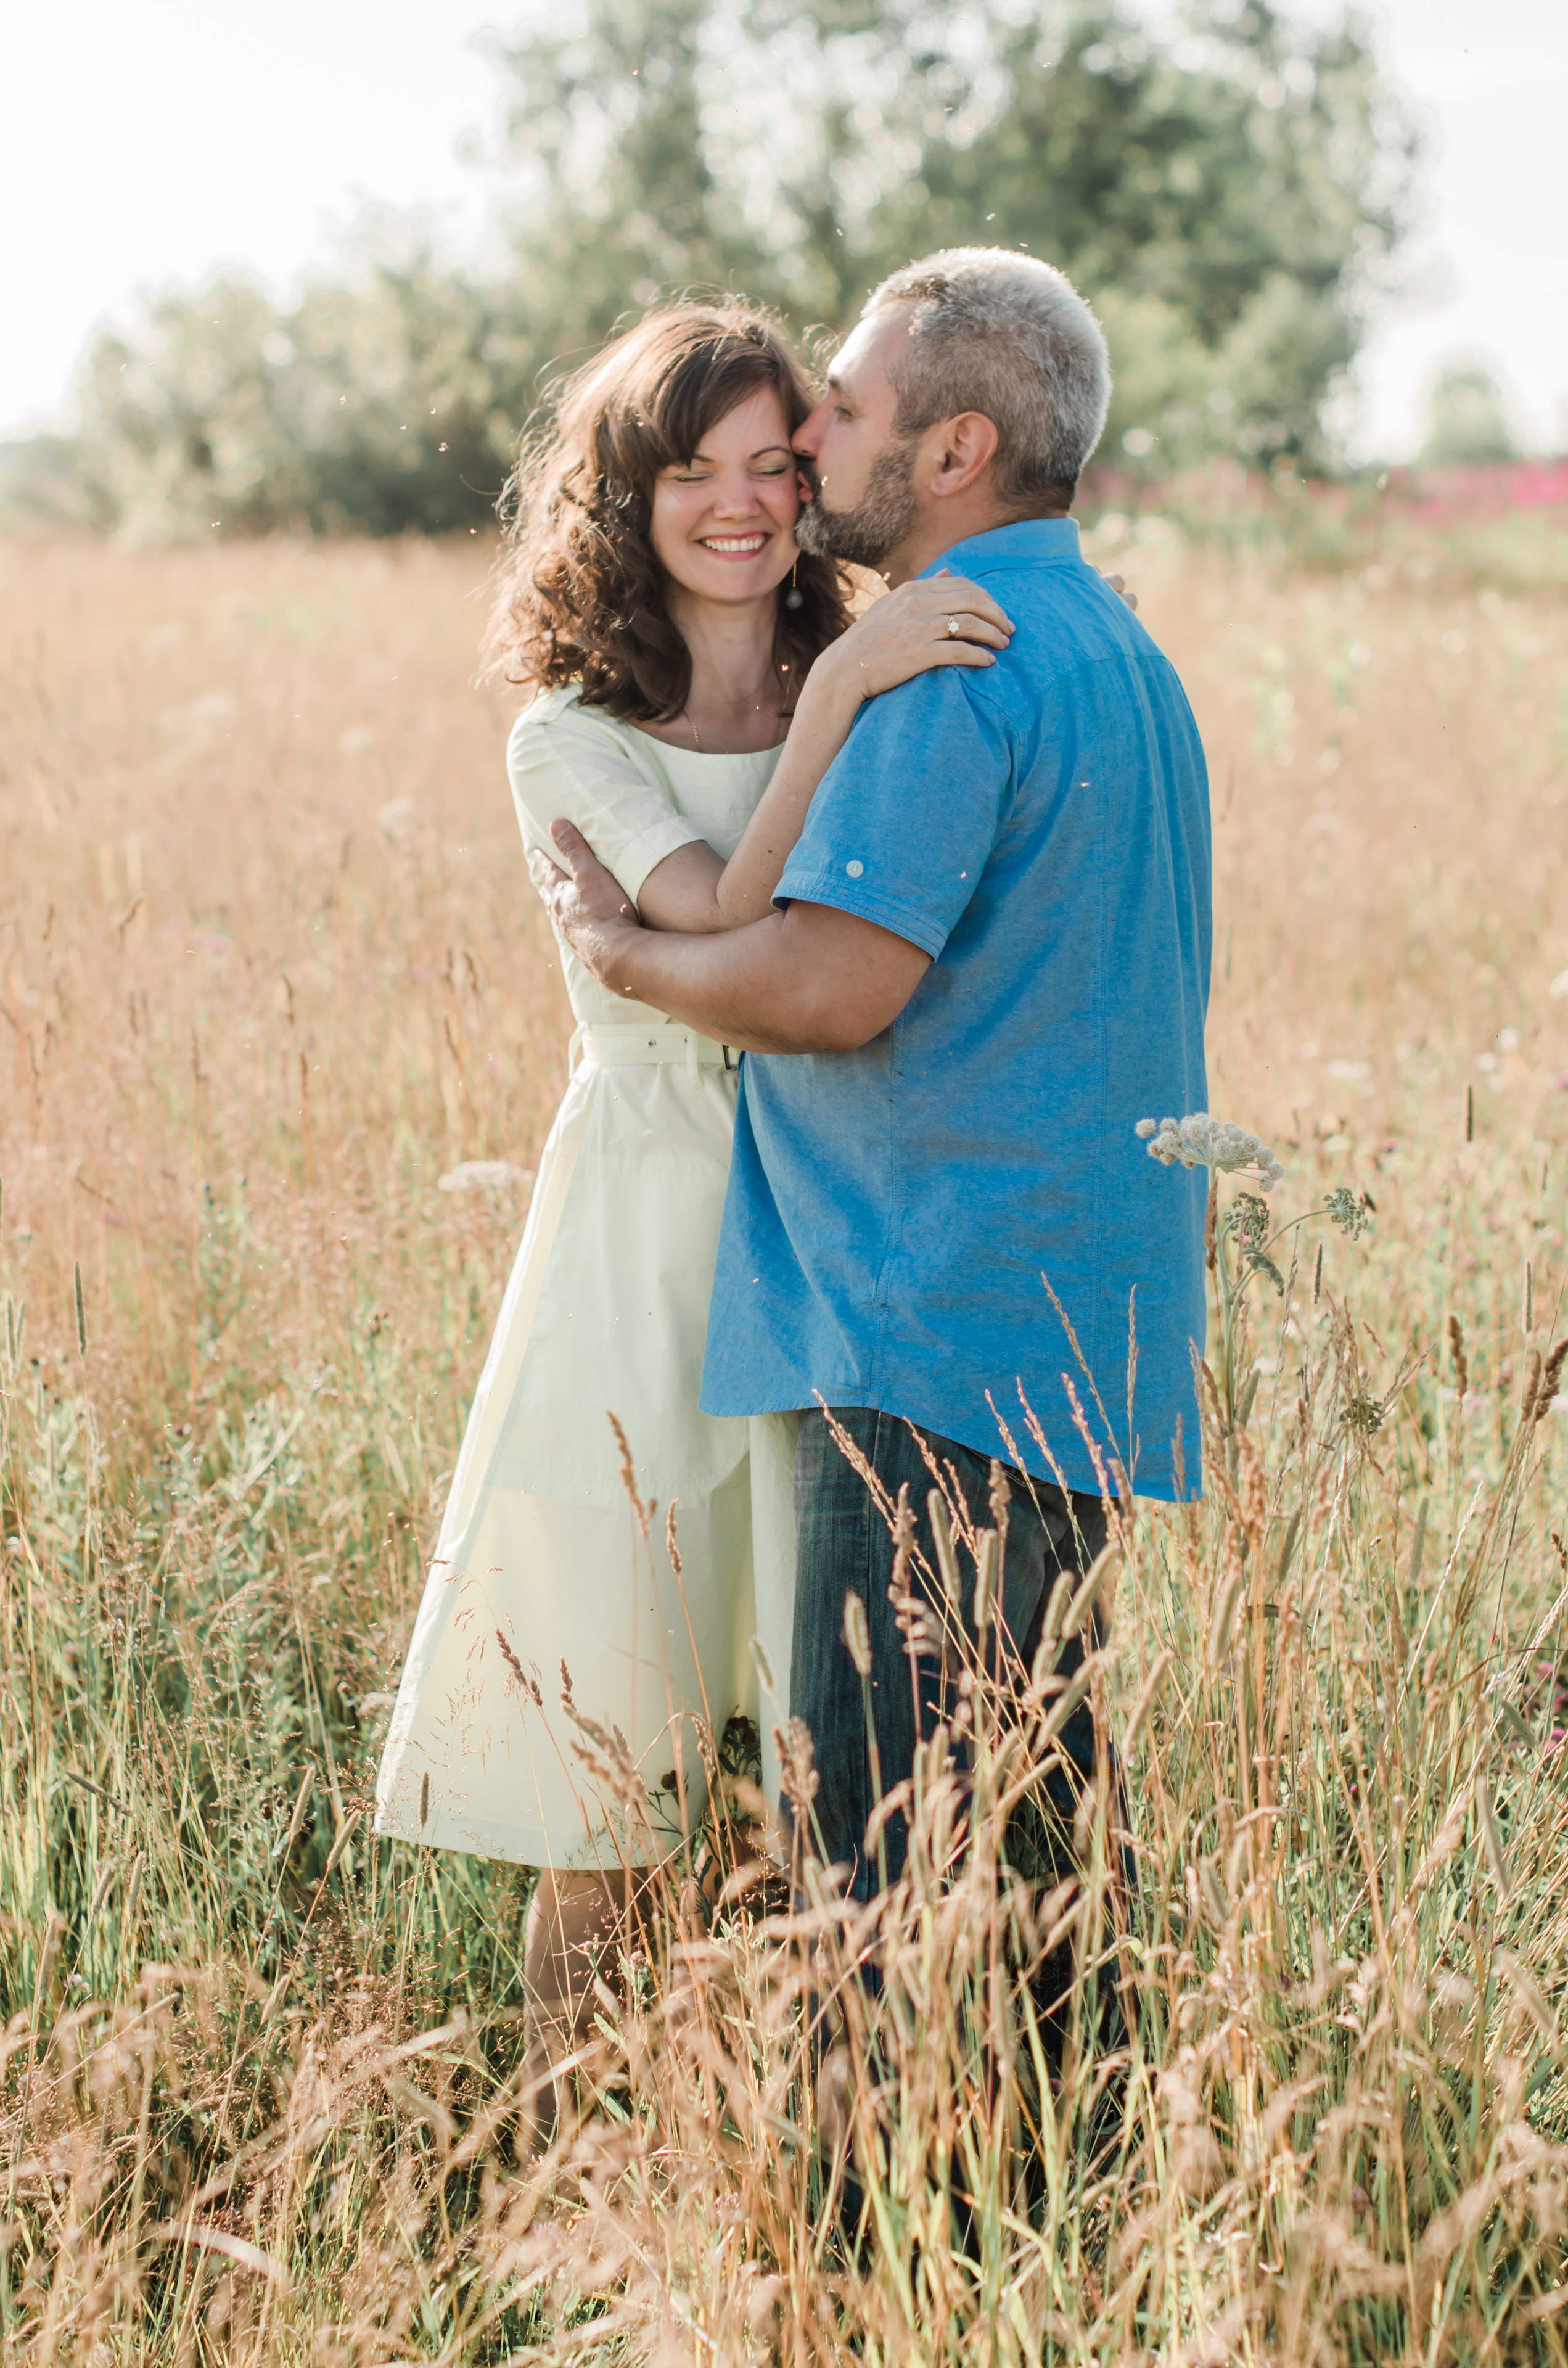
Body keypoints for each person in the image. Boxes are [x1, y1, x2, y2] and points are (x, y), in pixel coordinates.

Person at [372, 301, 1016, 2142]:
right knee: (617, 1773)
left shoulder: (879, 669)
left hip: (840, 1230)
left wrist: (857, 670)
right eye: (689, 474)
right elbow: (721, 916)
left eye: (769, 465)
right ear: (624, 498)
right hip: (647, 1245)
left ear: (815, 474)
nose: (737, 508)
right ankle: (582, 2182)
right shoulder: (570, 734)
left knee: (800, 1758)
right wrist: (841, 686)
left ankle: (758, 2179)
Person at [532, 249, 1212, 1911]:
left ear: (957, 450)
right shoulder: (1115, 648)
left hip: (924, 1328)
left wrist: (628, 961)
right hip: (1087, 1313)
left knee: (887, 1871)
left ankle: (874, 2182)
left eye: (836, 411)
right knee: (1040, 1837)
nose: (810, 445)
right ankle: (1068, 2168)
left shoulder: (941, 671)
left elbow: (829, 989)